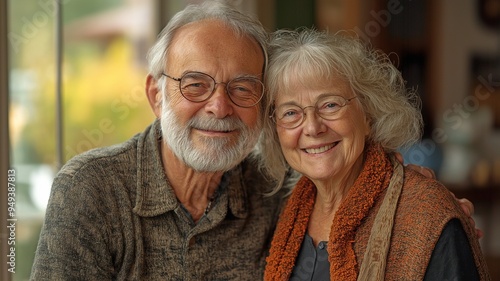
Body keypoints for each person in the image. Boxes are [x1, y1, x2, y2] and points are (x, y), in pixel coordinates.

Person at [30, 1, 481, 280]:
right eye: (195, 84)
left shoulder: (274, 187)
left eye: (241, 88)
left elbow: (360, 185)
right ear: (155, 94)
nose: (219, 107)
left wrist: (416, 202)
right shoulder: (91, 189)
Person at [260, 28, 491, 281]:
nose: (313, 127)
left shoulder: (424, 214)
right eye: (291, 112)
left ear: (368, 115)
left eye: (330, 105)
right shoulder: (280, 211)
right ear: (276, 128)